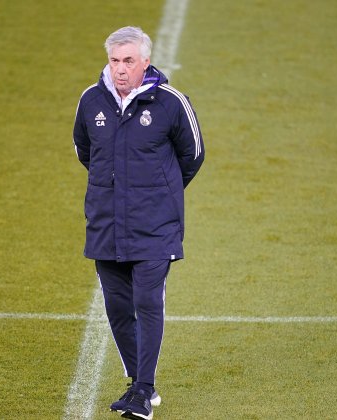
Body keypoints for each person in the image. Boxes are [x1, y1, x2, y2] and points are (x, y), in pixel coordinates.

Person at [72, 26, 204, 420]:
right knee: (116, 307)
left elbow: (193, 154)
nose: (120, 69)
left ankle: (143, 392)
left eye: (129, 61)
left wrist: (160, 193)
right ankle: (138, 383)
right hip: (106, 225)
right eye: (115, 61)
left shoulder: (169, 102)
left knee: (147, 302)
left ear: (145, 61)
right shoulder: (91, 101)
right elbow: (84, 151)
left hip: (155, 227)